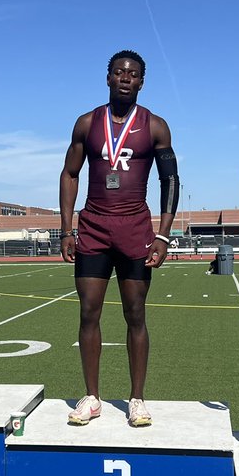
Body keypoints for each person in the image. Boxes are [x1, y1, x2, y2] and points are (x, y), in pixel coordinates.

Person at [59, 50, 179, 427]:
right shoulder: (86, 123)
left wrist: (163, 234)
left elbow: (170, 180)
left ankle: (137, 398)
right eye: (119, 72)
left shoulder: (156, 125)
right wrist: (66, 228)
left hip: (135, 228)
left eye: (133, 74)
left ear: (142, 81)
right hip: (93, 226)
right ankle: (91, 396)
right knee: (88, 311)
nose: (125, 78)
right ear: (108, 77)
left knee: (135, 314)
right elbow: (70, 173)